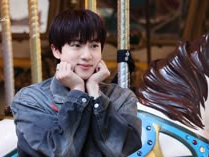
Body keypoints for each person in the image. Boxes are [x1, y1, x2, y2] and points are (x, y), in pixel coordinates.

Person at [11, 9, 142, 157]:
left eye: (94, 46)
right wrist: (77, 92)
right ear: (56, 51)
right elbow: (57, 152)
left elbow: (120, 149)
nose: (87, 55)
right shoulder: (31, 99)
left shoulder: (121, 97)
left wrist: (94, 92)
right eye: (76, 45)